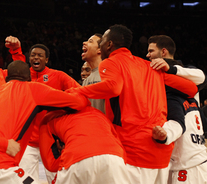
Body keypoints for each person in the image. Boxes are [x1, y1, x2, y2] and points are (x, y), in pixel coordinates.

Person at [67, 24, 198, 184]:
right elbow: (191, 89)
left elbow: (113, 87)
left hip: (132, 151)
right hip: (161, 154)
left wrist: (77, 91)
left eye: (102, 42)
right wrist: (170, 69)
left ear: (109, 45)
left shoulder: (111, 63)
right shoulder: (150, 66)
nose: (100, 46)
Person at [0, 60, 89, 184]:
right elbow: (78, 102)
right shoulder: (33, 89)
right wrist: (78, 92)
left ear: (7, 78)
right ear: (29, 78)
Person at [20, 43, 81, 183]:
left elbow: (79, 92)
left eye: (40, 55)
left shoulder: (57, 76)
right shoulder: (23, 77)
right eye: (33, 55)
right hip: (28, 141)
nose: (36, 58)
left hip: (51, 140)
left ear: (46, 60)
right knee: (24, 180)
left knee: (57, 179)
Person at [39, 106, 129, 184]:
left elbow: (50, 164)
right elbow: (117, 141)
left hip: (77, 157)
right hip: (114, 157)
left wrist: (63, 153)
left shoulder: (47, 119)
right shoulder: (97, 112)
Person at [147, 35, 206, 105]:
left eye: (151, 51)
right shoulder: (151, 73)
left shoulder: (188, 70)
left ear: (163, 52)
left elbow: (203, 78)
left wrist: (171, 69)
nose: (147, 55)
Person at [81, 33, 105, 113]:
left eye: (90, 42)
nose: (84, 43)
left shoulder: (108, 74)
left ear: (99, 50)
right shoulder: (86, 80)